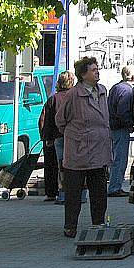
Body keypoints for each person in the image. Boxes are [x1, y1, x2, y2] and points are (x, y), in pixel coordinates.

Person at [55, 57, 111, 238]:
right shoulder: (74, 94)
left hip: (99, 151)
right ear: (83, 74)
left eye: (97, 69)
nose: (97, 72)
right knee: (73, 193)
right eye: (93, 70)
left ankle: (98, 223)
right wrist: (77, 135)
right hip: (79, 152)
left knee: (99, 192)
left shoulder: (102, 91)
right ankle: (70, 225)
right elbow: (60, 120)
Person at [39, 71, 75, 202]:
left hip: (56, 137)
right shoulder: (74, 97)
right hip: (72, 136)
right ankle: (70, 192)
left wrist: (47, 138)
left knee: (54, 165)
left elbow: (47, 120)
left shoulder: (53, 99)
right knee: (70, 165)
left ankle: (53, 192)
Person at [108, 66, 134, 197]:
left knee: (115, 158)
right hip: (120, 128)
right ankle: (115, 187)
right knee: (120, 159)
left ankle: (114, 185)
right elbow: (123, 111)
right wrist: (130, 124)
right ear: (132, 76)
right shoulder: (127, 91)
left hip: (112, 126)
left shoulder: (115, 87)